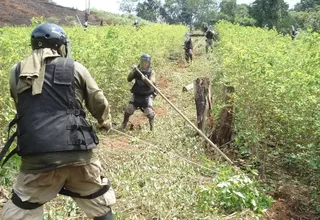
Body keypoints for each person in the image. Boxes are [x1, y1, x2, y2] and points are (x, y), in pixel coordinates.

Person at [0, 23, 116, 220]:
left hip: (37, 158)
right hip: (78, 155)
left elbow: (24, 108)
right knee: (99, 202)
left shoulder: (16, 72)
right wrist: (105, 122)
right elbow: (98, 101)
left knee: (23, 207)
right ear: (59, 45)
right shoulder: (76, 68)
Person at [120, 54, 156, 131]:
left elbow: (152, 83)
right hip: (137, 95)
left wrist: (145, 79)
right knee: (128, 110)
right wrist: (133, 71)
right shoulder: (137, 70)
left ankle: (152, 129)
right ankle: (124, 123)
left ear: (149, 63)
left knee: (149, 113)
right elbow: (129, 79)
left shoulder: (151, 72)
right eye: (143, 62)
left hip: (147, 95)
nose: (144, 64)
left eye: (146, 62)